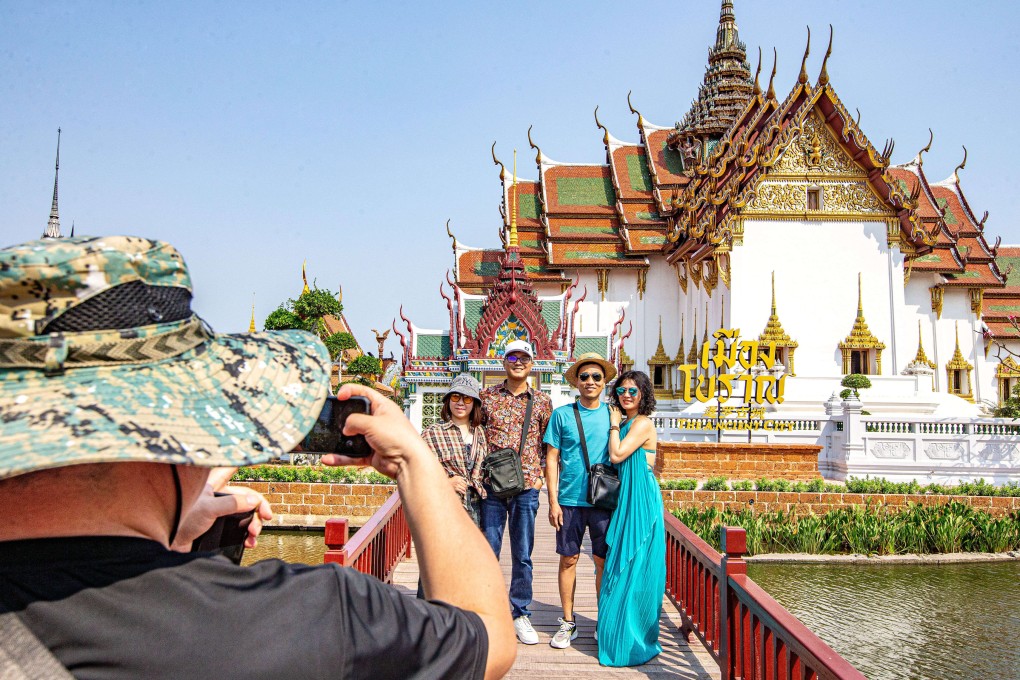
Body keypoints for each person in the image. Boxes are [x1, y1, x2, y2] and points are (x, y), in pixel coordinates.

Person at [0, 235, 515, 680]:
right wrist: (414, 461)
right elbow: (488, 638)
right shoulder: (310, 619)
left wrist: (170, 529)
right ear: (186, 435)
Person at [479, 339, 552, 645]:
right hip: (493, 487)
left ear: (532, 364)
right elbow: (476, 436)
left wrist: (540, 479)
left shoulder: (542, 401)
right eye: (512, 357)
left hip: (526, 488)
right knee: (488, 551)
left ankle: (520, 612)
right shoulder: (487, 397)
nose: (518, 362)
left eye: (524, 358)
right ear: (503, 362)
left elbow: (548, 445)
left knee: (522, 554)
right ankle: (488, 612)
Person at [543, 352, 616, 649]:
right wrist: (552, 501)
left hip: (604, 500)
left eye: (596, 377)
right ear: (576, 382)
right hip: (570, 499)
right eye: (584, 376)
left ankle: (604, 621)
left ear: (604, 382)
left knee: (602, 561)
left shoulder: (614, 415)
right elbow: (551, 458)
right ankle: (568, 621)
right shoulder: (562, 415)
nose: (590, 381)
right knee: (568, 559)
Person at [598, 370, 665, 666]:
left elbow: (617, 455)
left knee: (636, 565)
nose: (626, 395)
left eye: (632, 391)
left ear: (643, 395)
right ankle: (617, 633)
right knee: (620, 564)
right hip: (626, 498)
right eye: (622, 391)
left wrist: (614, 424)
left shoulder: (642, 423)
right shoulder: (627, 422)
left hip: (641, 500)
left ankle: (635, 639)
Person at [421, 373, 488, 526]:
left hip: (479, 507)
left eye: (467, 398)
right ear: (448, 400)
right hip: (446, 505)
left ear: (474, 403)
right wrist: (447, 482)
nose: (461, 403)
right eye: (456, 397)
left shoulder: (482, 433)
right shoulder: (432, 433)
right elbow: (417, 470)